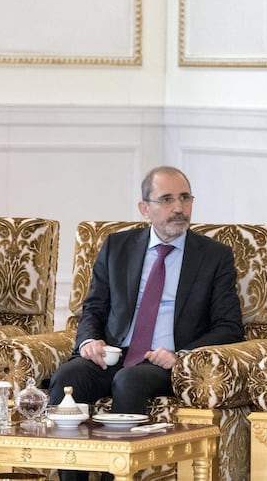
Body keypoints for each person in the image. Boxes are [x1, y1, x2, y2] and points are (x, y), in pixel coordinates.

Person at [49, 166, 244, 481]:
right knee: (68, 376)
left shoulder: (214, 256)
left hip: (166, 362)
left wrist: (182, 353)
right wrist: (89, 342)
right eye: (167, 199)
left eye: (184, 198)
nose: (178, 208)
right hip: (117, 352)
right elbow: (94, 307)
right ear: (145, 208)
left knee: (129, 381)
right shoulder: (117, 247)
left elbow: (230, 326)